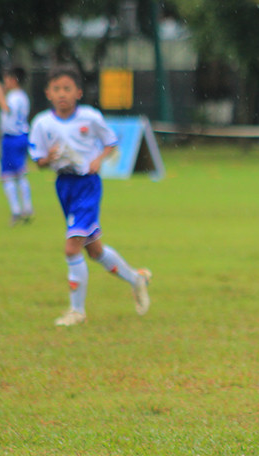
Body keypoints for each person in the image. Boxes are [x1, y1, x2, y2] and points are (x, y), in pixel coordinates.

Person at [28, 64, 151, 327]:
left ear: (78, 92)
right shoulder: (42, 123)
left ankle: (77, 311)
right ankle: (136, 279)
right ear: (48, 93)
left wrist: (98, 160)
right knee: (93, 250)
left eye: (67, 89)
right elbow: (38, 161)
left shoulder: (90, 117)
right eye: (57, 89)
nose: (62, 94)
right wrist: (50, 158)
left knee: (72, 247)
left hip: (87, 186)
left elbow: (111, 142)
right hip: (64, 185)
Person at [0, 66, 33, 225]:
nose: (4, 82)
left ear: (13, 80)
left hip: (12, 138)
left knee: (8, 176)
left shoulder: (14, 96)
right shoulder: (22, 96)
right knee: (20, 174)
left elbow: (7, 109)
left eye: (6, 79)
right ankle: (26, 208)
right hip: (21, 136)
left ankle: (16, 211)